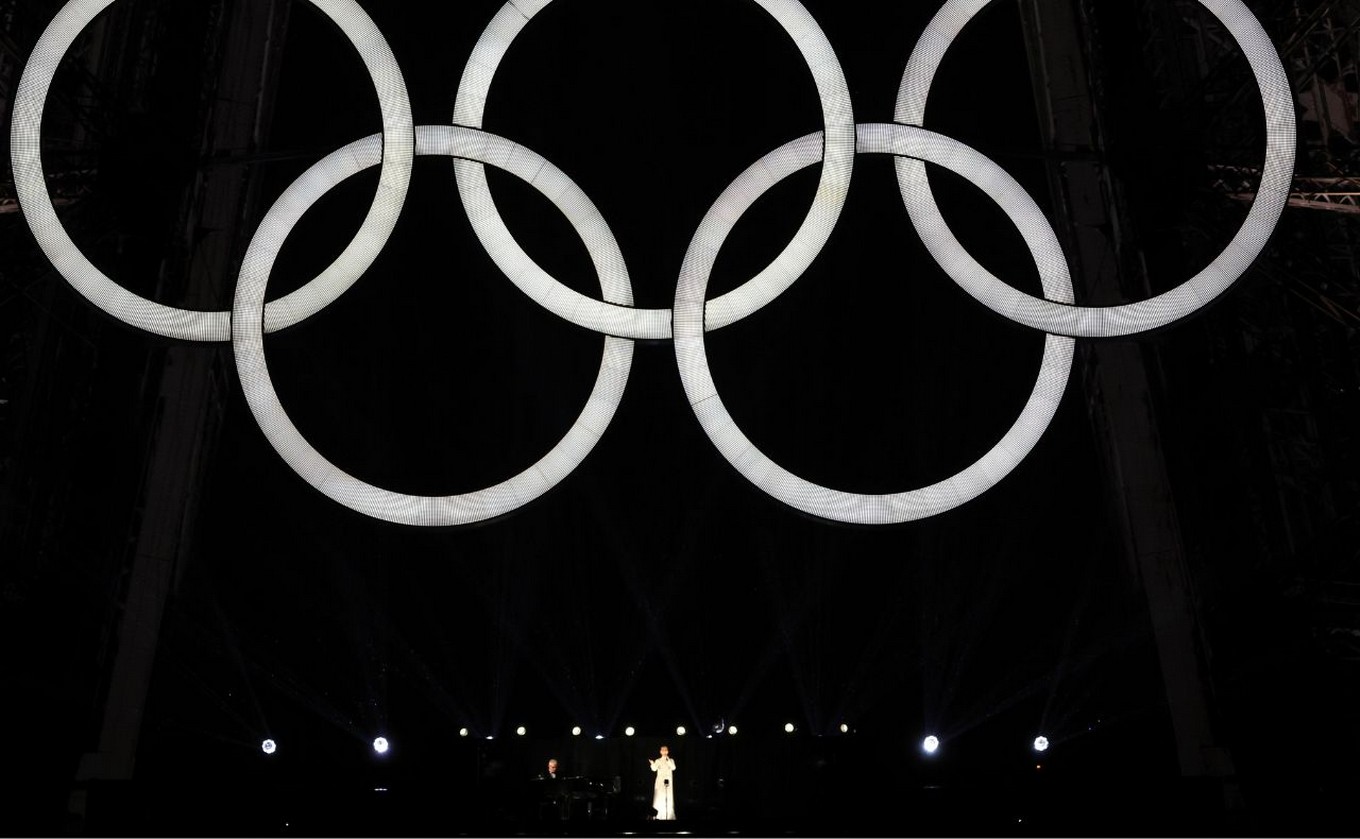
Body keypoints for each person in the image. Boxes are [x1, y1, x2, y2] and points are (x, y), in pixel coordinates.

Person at [647, 745, 676, 820]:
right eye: (662, 750)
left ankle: (668, 815)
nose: (664, 751)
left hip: (668, 782)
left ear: (668, 751)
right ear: (660, 751)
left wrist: (668, 759)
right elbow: (654, 769)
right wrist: (652, 763)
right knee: (659, 797)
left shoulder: (671, 760)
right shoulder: (658, 760)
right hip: (660, 782)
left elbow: (673, 767)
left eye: (665, 750)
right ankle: (658, 815)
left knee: (668, 797)